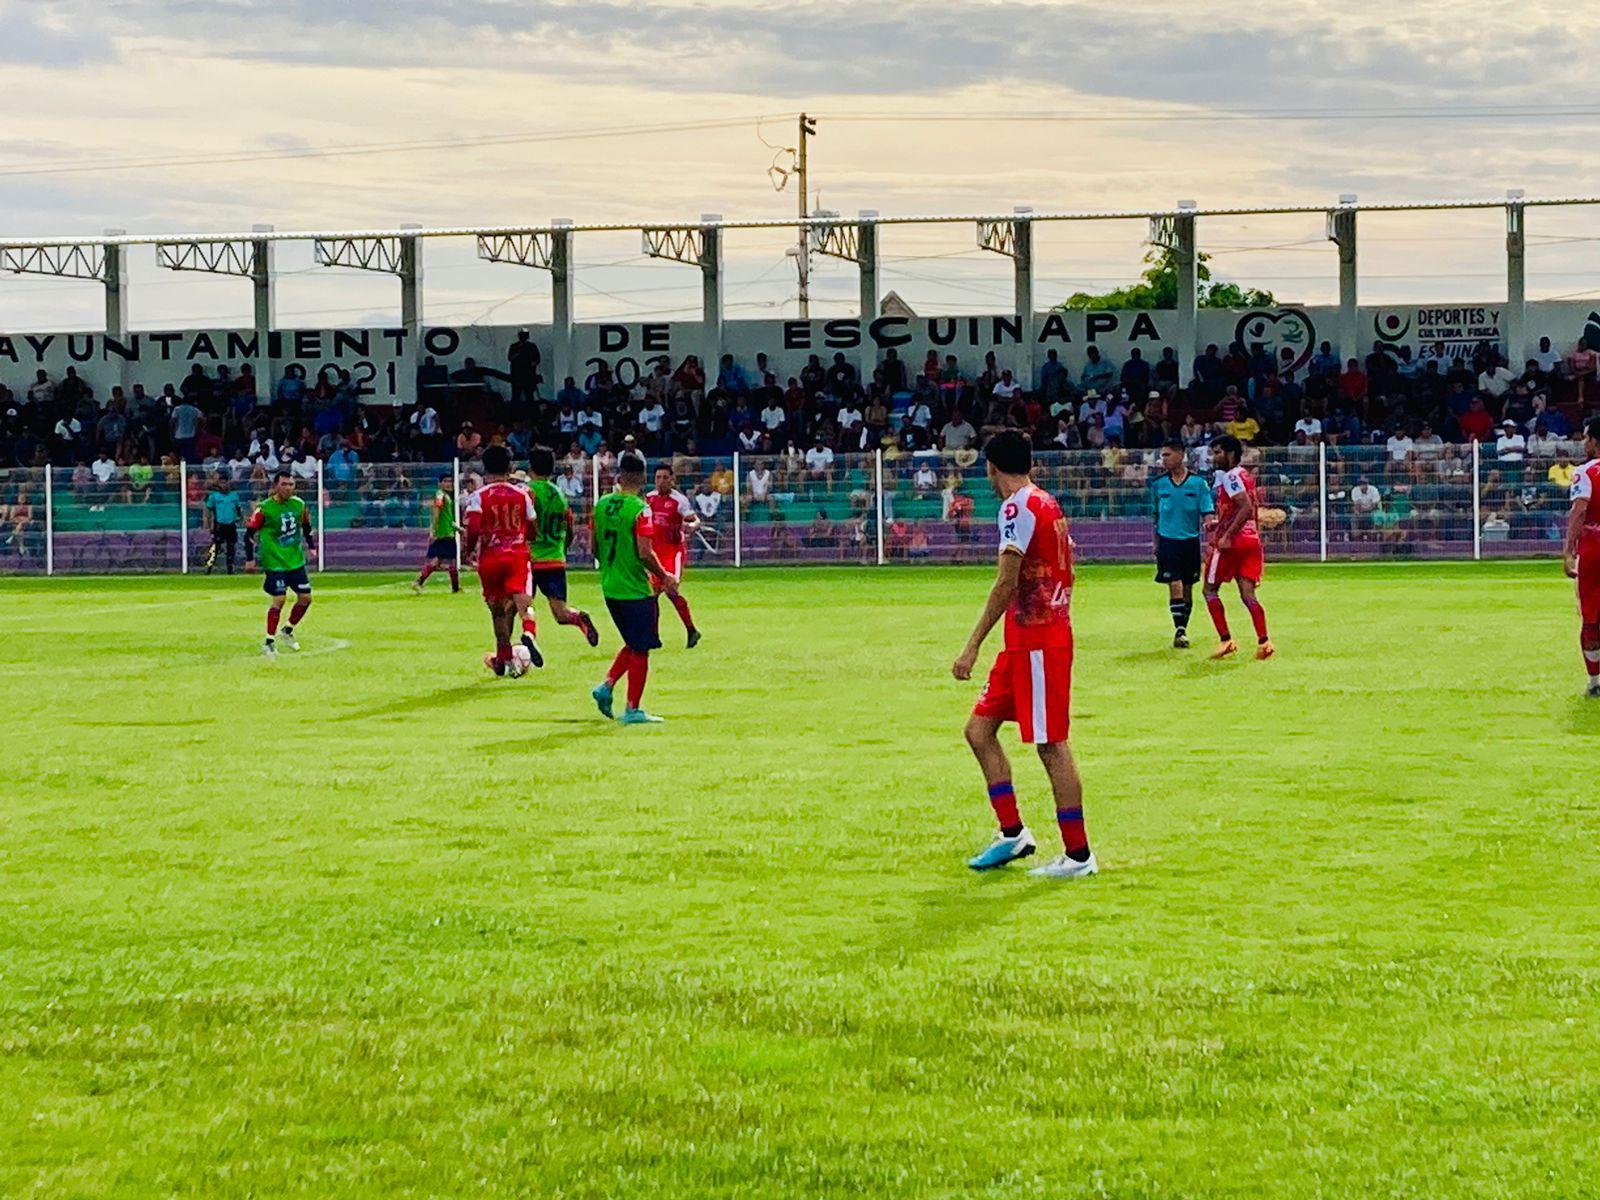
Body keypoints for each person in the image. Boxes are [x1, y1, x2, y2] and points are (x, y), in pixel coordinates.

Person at [952, 431, 1096, 881]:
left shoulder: (1016, 508)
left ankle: (1078, 855)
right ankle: (1012, 833)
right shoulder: (1047, 503)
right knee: (979, 731)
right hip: (1026, 639)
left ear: (992, 467)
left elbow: (1006, 581)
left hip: (1038, 641)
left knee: (1051, 743)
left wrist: (972, 644)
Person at [591, 452, 679, 724]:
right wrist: (664, 575)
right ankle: (632, 709)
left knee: (634, 641)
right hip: (634, 588)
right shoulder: (641, 509)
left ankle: (606, 686)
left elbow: (594, 547)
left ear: (620, 475)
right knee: (641, 647)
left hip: (610, 586)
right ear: (642, 477)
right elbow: (644, 552)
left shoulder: (602, 504)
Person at [462, 445, 542, 676]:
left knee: (497, 610)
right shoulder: (522, 494)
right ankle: (528, 633)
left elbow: (473, 528)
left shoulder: (478, 496)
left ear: (485, 468)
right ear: (510, 467)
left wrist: (469, 551)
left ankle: (504, 661)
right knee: (524, 602)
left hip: (490, 558)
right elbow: (533, 528)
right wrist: (523, 535)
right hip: (516, 555)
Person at [1202, 435, 1273, 660]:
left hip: (1232, 544)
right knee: (1248, 594)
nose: (1214, 458)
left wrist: (1227, 534)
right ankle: (1264, 642)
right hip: (1251, 541)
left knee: (1209, 590)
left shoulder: (1230, 476)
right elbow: (1241, 510)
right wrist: (1220, 522)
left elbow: (1245, 506)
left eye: (1218, 453)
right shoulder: (1245, 475)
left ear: (1230, 454)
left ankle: (1226, 640)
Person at [524, 446, 600, 648]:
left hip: (531, 558)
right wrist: (561, 550)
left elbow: (525, 523)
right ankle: (579, 617)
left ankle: (526, 638)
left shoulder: (528, 492)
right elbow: (570, 530)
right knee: (561, 613)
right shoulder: (560, 494)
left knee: (517, 606)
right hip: (555, 559)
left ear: (530, 467)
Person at [244, 470, 315, 657]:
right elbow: (249, 534)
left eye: (291, 484)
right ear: (276, 486)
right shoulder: (265, 508)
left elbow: (306, 526)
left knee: (306, 598)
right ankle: (269, 641)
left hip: (295, 560)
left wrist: (311, 546)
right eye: (284, 484)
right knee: (280, 599)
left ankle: (287, 630)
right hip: (274, 560)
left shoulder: (299, 504)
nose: (288, 488)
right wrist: (250, 559)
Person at [1151, 439, 1214, 648]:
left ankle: (1183, 627)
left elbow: (1207, 511)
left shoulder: (1198, 484)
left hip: (1190, 541)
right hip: (1168, 541)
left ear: (1180, 455)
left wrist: (1210, 525)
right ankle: (1179, 629)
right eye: (1163, 455)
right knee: (1174, 583)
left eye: (1167, 455)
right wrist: (1156, 543)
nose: (1164, 459)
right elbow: (1156, 515)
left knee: (1187, 587)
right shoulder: (1158, 484)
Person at [1562, 417, 1600, 697]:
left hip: (1594, 546)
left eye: (1586, 438)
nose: (1584, 443)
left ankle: (1595, 681)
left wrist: (1568, 550)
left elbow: (1580, 511)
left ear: (1595, 441)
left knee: (1591, 616)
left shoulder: (1586, 471)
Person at [646, 464, 702, 648]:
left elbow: (695, 520)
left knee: (670, 589)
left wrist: (692, 526)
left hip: (673, 551)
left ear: (672, 480)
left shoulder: (679, 500)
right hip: (655, 552)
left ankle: (691, 629)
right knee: (652, 595)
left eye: (665, 477)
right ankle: (654, 637)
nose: (661, 481)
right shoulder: (649, 499)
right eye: (658, 477)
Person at [412, 473, 461, 594]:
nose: (449, 484)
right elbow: (436, 512)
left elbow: (447, 517)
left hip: (447, 531)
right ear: (440, 483)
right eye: (446, 481)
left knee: (438, 560)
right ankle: (455, 588)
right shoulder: (440, 495)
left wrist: (456, 527)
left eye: (450, 481)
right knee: (450, 561)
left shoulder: (447, 496)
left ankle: (419, 582)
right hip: (444, 533)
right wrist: (433, 531)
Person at [202, 473, 244, 576]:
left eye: (225, 482)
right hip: (219, 525)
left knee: (231, 547)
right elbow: (208, 510)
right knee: (215, 547)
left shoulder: (234, 495)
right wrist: (208, 524)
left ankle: (230, 568)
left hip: (231, 525)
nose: (224, 485)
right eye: (222, 482)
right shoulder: (214, 496)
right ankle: (209, 566)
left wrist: (240, 519)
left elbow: (239, 509)